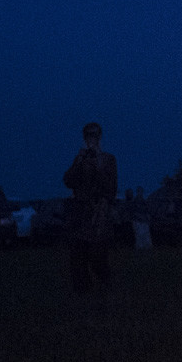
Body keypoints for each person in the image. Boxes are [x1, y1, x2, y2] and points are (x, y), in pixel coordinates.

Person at [63, 122, 117, 294]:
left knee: (98, 255)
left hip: (99, 213)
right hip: (80, 212)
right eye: (88, 136)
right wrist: (79, 162)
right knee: (77, 255)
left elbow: (111, 188)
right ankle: (83, 291)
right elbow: (68, 181)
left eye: (94, 135)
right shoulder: (81, 159)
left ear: (100, 137)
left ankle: (107, 285)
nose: (91, 139)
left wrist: (99, 167)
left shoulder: (108, 159)